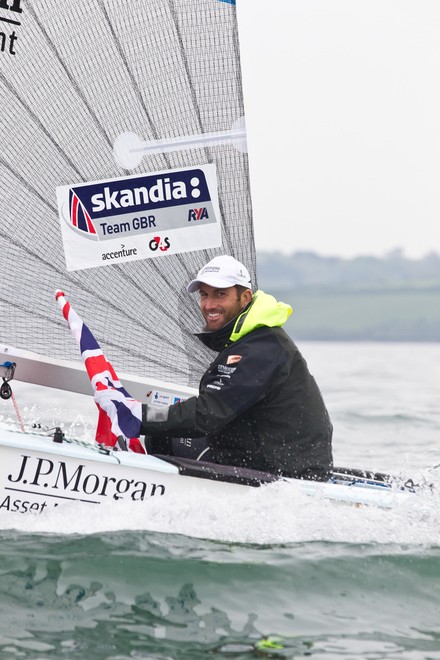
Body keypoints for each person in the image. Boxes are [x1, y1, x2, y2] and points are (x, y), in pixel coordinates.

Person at [96, 255, 333, 480]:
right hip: (268, 456)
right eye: (204, 295)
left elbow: (206, 414)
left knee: (161, 432)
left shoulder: (261, 349)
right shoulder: (253, 339)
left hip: (286, 474)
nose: (209, 305)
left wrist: (138, 415)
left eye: (220, 295)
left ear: (245, 297)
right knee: (163, 435)